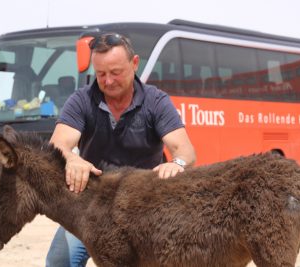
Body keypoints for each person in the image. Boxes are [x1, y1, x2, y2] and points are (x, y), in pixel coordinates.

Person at [46, 33, 196, 267]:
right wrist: (71, 159)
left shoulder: (156, 101)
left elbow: (186, 151)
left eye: (115, 72)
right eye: (100, 74)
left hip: (143, 202)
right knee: (59, 262)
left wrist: (176, 164)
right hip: (92, 200)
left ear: (134, 63)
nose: (107, 81)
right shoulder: (81, 100)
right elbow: (56, 147)